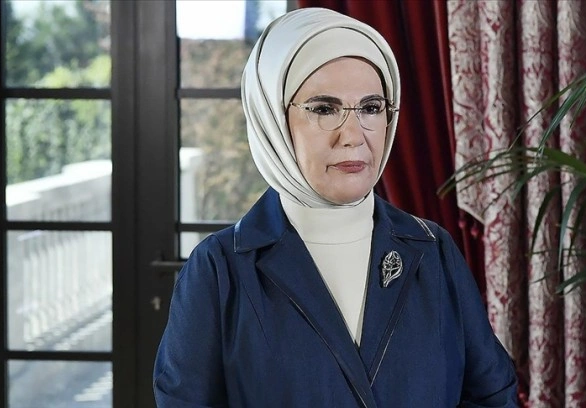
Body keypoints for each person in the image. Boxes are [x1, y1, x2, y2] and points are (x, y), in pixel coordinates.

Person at [153, 7, 518, 408]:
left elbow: (492, 397)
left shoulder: (433, 249)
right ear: (273, 119)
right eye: (324, 109)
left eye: (371, 107)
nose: (353, 136)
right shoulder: (219, 268)